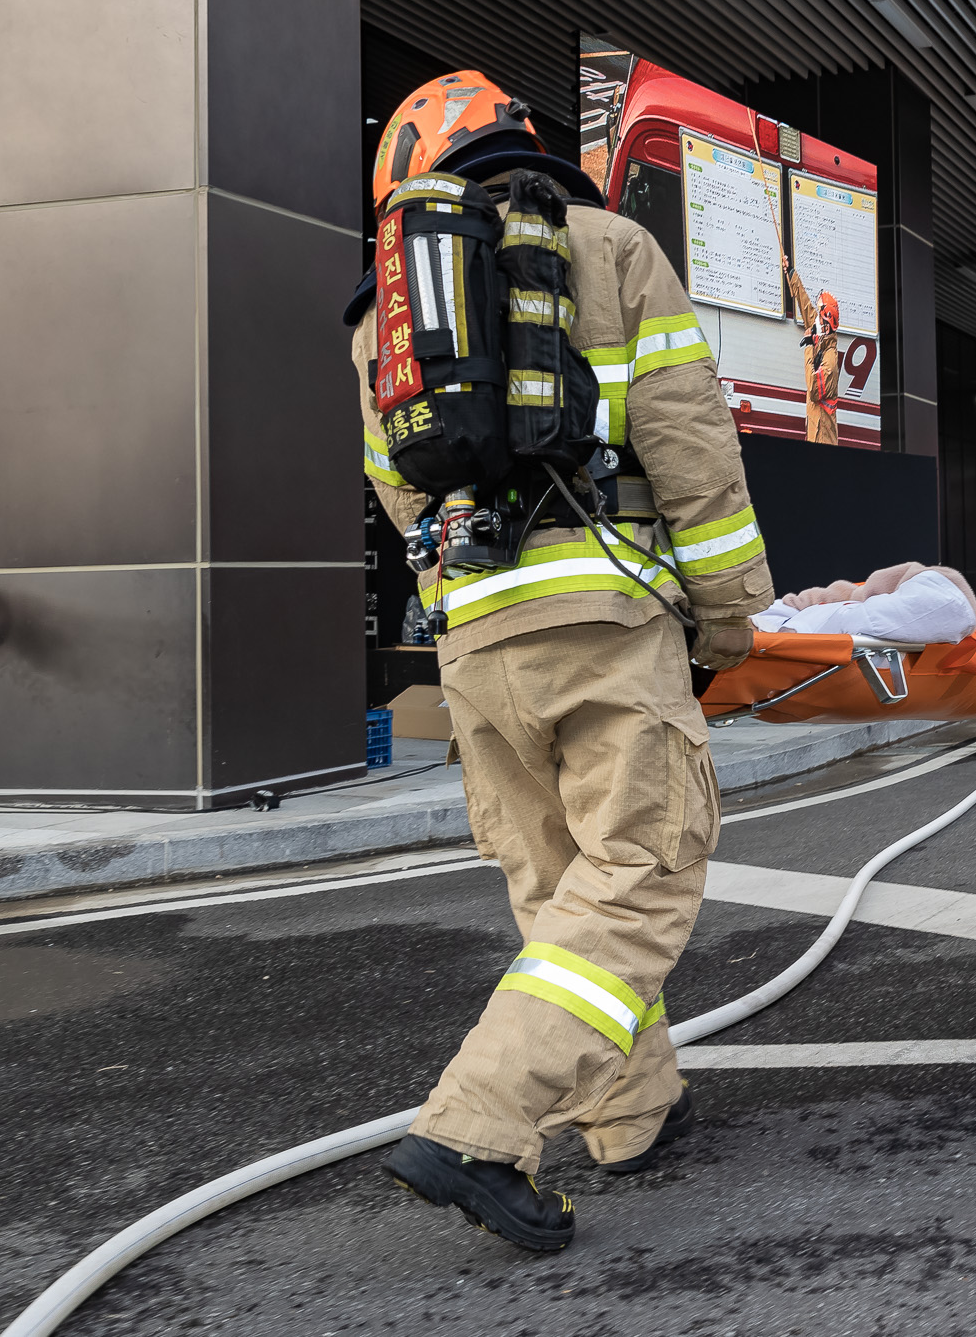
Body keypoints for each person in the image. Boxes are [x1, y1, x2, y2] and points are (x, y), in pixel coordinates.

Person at [353, 72, 772, 1251]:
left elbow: (400, 496)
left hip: (478, 636)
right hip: (607, 611)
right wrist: (728, 621)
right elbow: (690, 444)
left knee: (555, 883)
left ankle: (630, 1113)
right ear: (524, 143)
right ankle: (477, 1126)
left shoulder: (382, 312)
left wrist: (463, 613)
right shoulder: (614, 245)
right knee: (638, 867)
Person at [783, 256, 842, 444]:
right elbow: (805, 305)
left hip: (823, 440)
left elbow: (814, 389)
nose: (815, 319)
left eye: (820, 316)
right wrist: (791, 273)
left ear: (827, 323)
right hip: (815, 434)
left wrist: (808, 347)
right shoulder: (822, 338)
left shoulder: (830, 361)